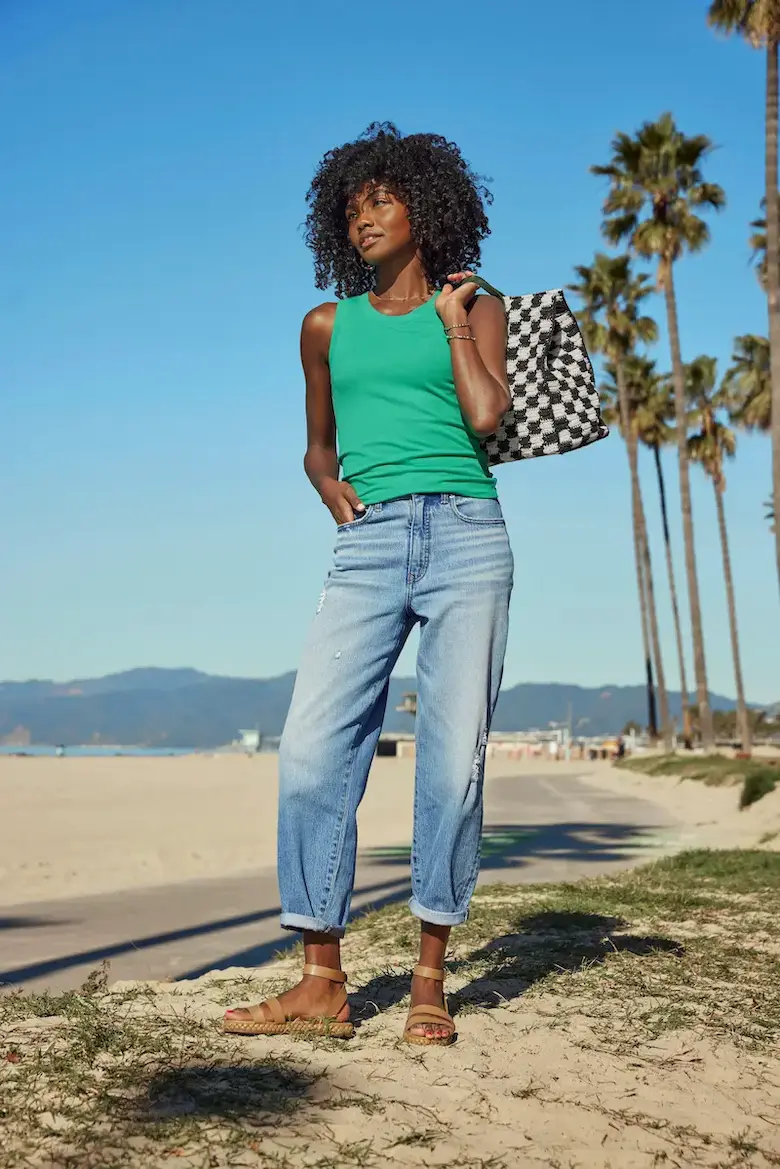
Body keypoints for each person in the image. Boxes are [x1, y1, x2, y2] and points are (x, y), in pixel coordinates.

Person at [224, 124, 513, 1047]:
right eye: (352, 209)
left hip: (469, 535)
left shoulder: (475, 302)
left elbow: (486, 412)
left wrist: (453, 321)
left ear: (425, 210)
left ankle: (430, 978)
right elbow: (318, 442)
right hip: (370, 539)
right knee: (312, 746)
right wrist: (322, 480)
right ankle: (322, 980)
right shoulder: (325, 325)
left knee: (452, 759)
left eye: (381, 202)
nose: (364, 220)